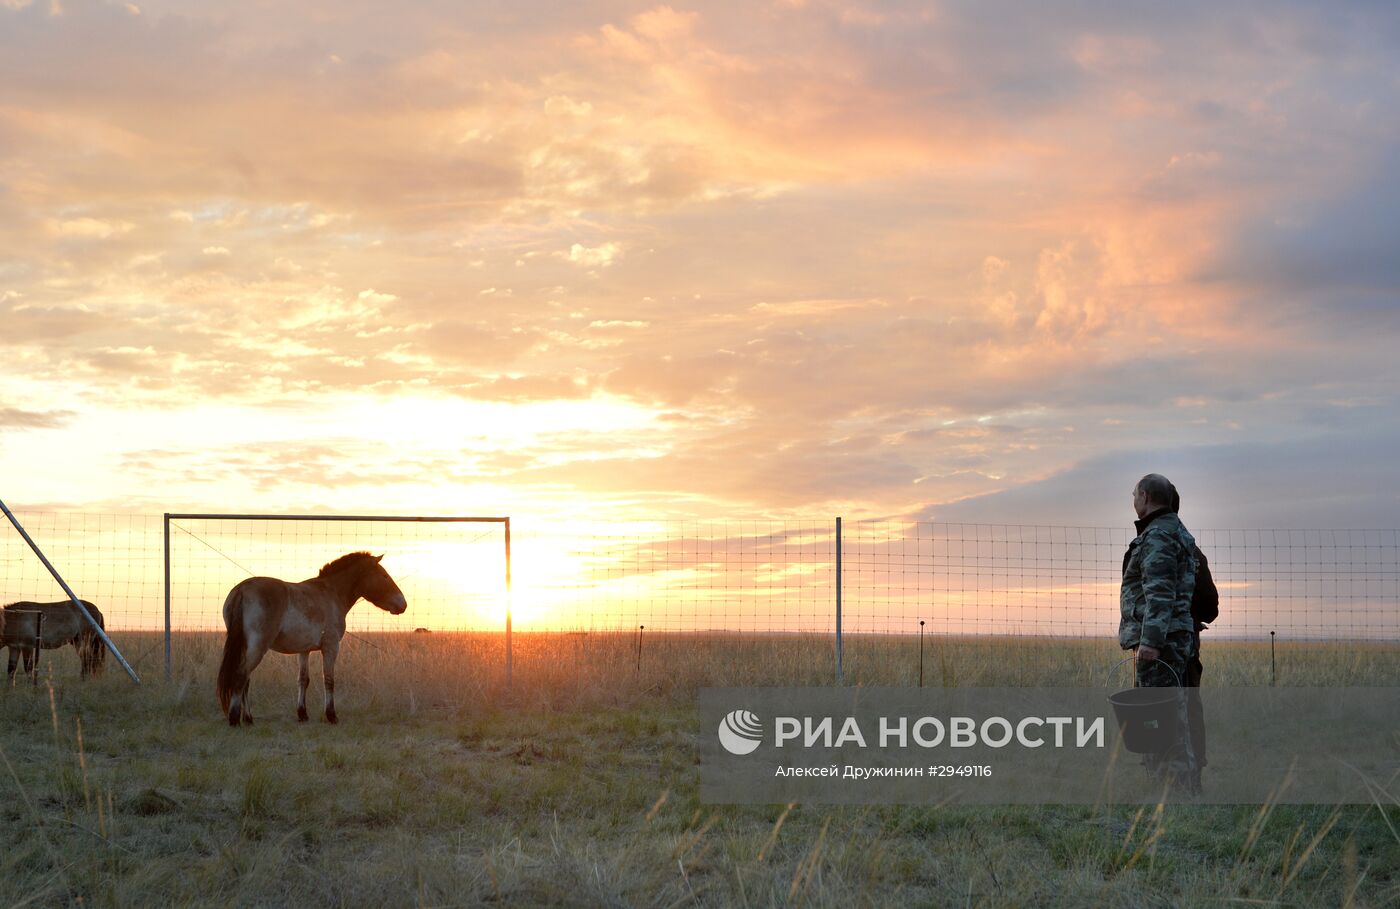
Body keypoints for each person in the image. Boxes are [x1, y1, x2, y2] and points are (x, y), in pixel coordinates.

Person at [1119, 473, 1199, 793]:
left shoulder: (1158, 537)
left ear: (1147, 497)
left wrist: (1151, 641)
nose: (1134, 501)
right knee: (1170, 714)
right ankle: (1174, 786)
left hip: (1161, 642)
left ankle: (1173, 788)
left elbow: (1160, 592)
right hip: (1175, 637)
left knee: (1159, 716)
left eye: (1135, 494)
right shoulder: (1175, 532)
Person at [1168, 483, 1217, 782]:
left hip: (1160, 647)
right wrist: (1192, 616)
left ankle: (1169, 775)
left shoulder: (1157, 546)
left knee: (1160, 707)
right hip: (1189, 646)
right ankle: (1193, 768)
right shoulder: (1194, 551)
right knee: (1189, 705)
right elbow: (1210, 607)